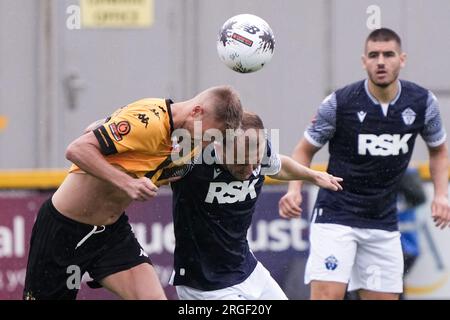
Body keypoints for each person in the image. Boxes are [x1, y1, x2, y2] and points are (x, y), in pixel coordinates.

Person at [23, 85, 243, 300]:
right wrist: (128, 183)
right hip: (64, 230)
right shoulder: (149, 120)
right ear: (196, 112)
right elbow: (76, 149)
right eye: (209, 135)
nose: (208, 143)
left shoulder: (188, 142)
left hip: (111, 234)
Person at [279, 28, 449, 300]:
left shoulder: (422, 103)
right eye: (374, 55)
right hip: (336, 216)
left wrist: (441, 195)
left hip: (382, 221)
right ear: (364, 61)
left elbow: (438, 151)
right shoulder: (340, 102)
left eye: (388, 54)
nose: (381, 61)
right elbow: (303, 150)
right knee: (326, 297)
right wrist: (294, 189)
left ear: (402, 59)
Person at [169, 112, 343, 300]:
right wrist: (133, 183)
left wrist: (313, 176)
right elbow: (146, 168)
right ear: (220, 145)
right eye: (243, 163)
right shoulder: (190, 157)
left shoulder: (257, 150)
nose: (252, 170)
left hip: (248, 271)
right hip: (205, 285)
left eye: (257, 162)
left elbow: (278, 166)